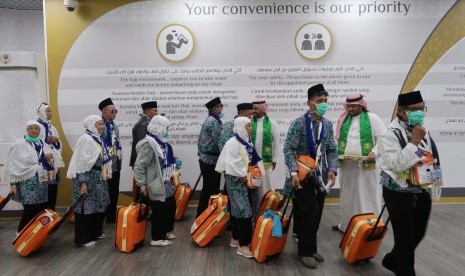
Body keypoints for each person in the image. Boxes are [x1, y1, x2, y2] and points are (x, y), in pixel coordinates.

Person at [378, 90, 441, 275]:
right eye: (414, 109)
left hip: (420, 189)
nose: (419, 113)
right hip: (397, 191)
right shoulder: (389, 134)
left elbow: (429, 155)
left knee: (418, 233)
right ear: (401, 111)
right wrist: (414, 142)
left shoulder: (420, 129)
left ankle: (391, 260)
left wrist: (434, 181)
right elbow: (397, 164)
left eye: (422, 108)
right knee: (405, 238)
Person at [283, 83, 338, 269]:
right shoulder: (299, 124)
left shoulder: (327, 125)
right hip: (301, 176)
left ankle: (310, 247)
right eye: (319, 101)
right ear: (309, 103)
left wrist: (332, 168)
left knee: (317, 212)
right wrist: (293, 171)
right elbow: (288, 149)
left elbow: (331, 149)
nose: (323, 103)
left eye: (325, 100)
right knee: (311, 212)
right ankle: (305, 251)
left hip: (320, 177)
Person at [333, 94, 386, 232]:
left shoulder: (372, 118)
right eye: (348, 106)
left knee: (367, 196)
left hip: (366, 167)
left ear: (361, 105)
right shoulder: (343, 120)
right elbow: (338, 141)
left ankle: (370, 226)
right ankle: (347, 225)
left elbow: (383, 139)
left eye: (353, 106)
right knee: (348, 197)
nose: (350, 109)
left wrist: (374, 152)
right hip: (348, 167)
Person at [216, 117, 263, 258]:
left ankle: (235, 238)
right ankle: (243, 246)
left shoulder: (246, 142)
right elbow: (231, 164)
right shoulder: (232, 143)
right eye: (248, 126)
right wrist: (242, 174)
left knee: (238, 210)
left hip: (245, 181)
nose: (251, 129)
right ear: (241, 127)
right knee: (244, 212)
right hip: (237, 181)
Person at [67, 115, 111, 247]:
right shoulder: (87, 140)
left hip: (97, 179)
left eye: (102, 124)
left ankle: (94, 233)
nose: (103, 127)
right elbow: (82, 164)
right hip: (87, 180)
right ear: (92, 125)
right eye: (99, 124)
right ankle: (83, 239)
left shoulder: (96, 138)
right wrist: (83, 184)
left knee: (97, 207)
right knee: (86, 208)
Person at [134, 115, 178, 246]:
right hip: (155, 181)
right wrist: (141, 184)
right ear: (158, 128)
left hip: (165, 180)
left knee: (170, 205)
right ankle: (157, 238)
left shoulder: (161, 142)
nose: (167, 130)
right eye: (166, 127)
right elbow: (139, 166)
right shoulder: (148, 144)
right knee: (159, 209)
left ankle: (166, 231)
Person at [4, 121, 53, 234]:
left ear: (40, 131)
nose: (34, 130)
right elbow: (13, 165)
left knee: (40, 207)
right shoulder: (19, 144)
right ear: (27, 130)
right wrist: (13, 184)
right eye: (31, 128)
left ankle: (34, 232)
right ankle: (21, 232)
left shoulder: (41, 143)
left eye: (36, 128)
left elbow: (46, 160)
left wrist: (48, 158)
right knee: (30, 208)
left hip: (42, 180)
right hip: (28, 182)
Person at [196, 97, 224, 217]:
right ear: (215, 108)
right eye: (221, 106)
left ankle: (205, 214)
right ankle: (206, 216)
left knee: (208, 188)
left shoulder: (212, 120)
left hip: (207, 160)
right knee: (211, 189)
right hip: (210, 161)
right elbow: (220, 141)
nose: (222, 109)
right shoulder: (213, 122)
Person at [36, 102, 65, 211]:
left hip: (53, 163)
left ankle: (51, 213)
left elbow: (59, 143)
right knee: (43, 190)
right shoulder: (35, 127)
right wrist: (44, 155)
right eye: (48, 111)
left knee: (52, 189)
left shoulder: (52, 127)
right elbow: (35, 144)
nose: (50, 113)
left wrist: (56, 140)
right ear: (41, 112)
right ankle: (42, 217)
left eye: (50, 111)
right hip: (43, 165)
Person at [99, 98, 122, 224]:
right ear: (104, 112)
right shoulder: (99, 125)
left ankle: (111, 215)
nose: (114, 113)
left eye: (115, 111)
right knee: (104, 190)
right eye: (112, 111)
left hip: (115, 164)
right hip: (104, 165)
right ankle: (102, 215)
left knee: (114, 190)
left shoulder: (115, 125)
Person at [130, 101, 158, 201]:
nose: (157, 113)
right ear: (148, 111)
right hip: (142, 162)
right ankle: (141, 213)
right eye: (155, 110)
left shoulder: (146, 123)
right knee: (143, 190)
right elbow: (143, 146)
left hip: (145, 161)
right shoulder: (143, 124)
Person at [251, 100, 280, 197]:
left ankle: (268, 206)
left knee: (267, 185)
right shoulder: (249, 123)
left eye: (256, 109)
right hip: (252, 163)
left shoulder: (272, 123)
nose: (253, 111)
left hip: (266, 162)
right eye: (253, 108)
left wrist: (274, 160)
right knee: (254, 185)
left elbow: (276, 143)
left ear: (262, 110)